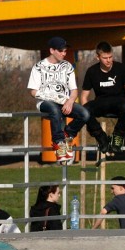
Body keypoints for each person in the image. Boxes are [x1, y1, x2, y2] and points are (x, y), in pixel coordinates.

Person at [27, 36, 90, 164]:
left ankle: (67, 133)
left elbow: (74, 90)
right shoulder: (39, 67)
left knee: (85, 114)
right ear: (52, 50)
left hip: (65, 101)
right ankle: (59, 143)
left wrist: (70, 101)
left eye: (65, 51)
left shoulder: (67, 66)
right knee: (55, 111)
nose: (64, 53)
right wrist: (50, 96)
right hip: (45, 102)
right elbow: (33, 91)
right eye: (61, 51)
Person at [80, 41, 125, 157]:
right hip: (101, 103)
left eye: (110, 57)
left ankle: (118, 136)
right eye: (105, 58)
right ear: (98, 57)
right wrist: (88, 120)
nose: (109, 60)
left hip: (119, 103)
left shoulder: (121, 68)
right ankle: (101, 137)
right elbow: (83, 96)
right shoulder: (92, 71)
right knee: (85, 109)